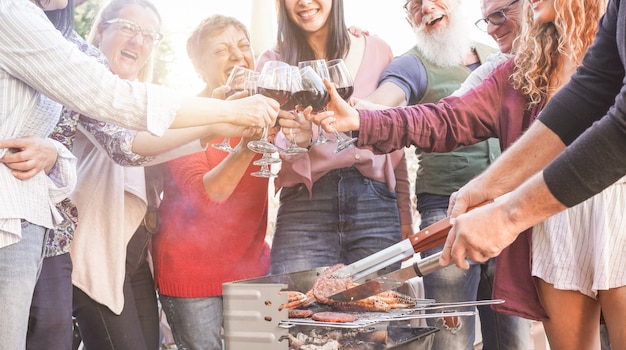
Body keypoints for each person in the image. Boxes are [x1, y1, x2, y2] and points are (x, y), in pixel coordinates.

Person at [307, 0, 609, 348]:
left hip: (599, 211)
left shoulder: (609, 49)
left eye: (500, 14)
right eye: (487, 20)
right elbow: (444, 118)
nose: (494, 26)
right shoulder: (510, 71)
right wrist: (362, 119)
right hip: (543, 224)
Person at [0, 0, 277, 349]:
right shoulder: (19, 19)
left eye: (148, 35)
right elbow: (117, 110)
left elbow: (125, 145)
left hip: (103, 241)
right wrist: (226, 117)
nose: (137, 41)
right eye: (128, 28)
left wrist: (223, 121)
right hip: (44, 225)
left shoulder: (73, 48)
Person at [359, 0, 526, 348]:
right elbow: (385, 100)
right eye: (414, 5)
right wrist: (359, 114)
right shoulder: (410, 64)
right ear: (409, 18)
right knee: (453, 337)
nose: (427, 9)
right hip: (446, 213)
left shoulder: (496, 51)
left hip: (508, 208)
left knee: (514, 332)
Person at [259, 0, 412, 281]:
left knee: (378, 316)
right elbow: (272, 140)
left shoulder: (378, 50)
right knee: (297, 315)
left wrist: (404, 212)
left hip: (374, 202)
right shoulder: (273, 63)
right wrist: (301, 140)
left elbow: (393, 140)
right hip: (305, 206)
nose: (304, 2)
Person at [151, 15, 273, 350]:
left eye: (243, 45)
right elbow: (208, 195)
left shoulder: (266, 111)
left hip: (253, 269)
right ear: (198, 66)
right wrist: (248, 148)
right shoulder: (186, 116)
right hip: (191, 273)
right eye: (221, 50)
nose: (237, 55)